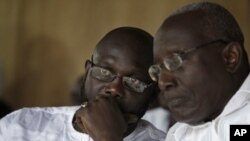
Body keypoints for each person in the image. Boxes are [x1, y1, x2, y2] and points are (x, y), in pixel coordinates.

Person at [0, 27, 166, 141]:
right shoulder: (22, 125)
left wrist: (108, 137)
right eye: (104, 73)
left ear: (152, 94)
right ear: (87, 72)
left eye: (134, 82)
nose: (114, 88)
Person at [148, 2, 250, 141]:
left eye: (175, 61)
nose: (162, 82)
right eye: (157, 70)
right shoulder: (177, 135)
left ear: (230, 57)